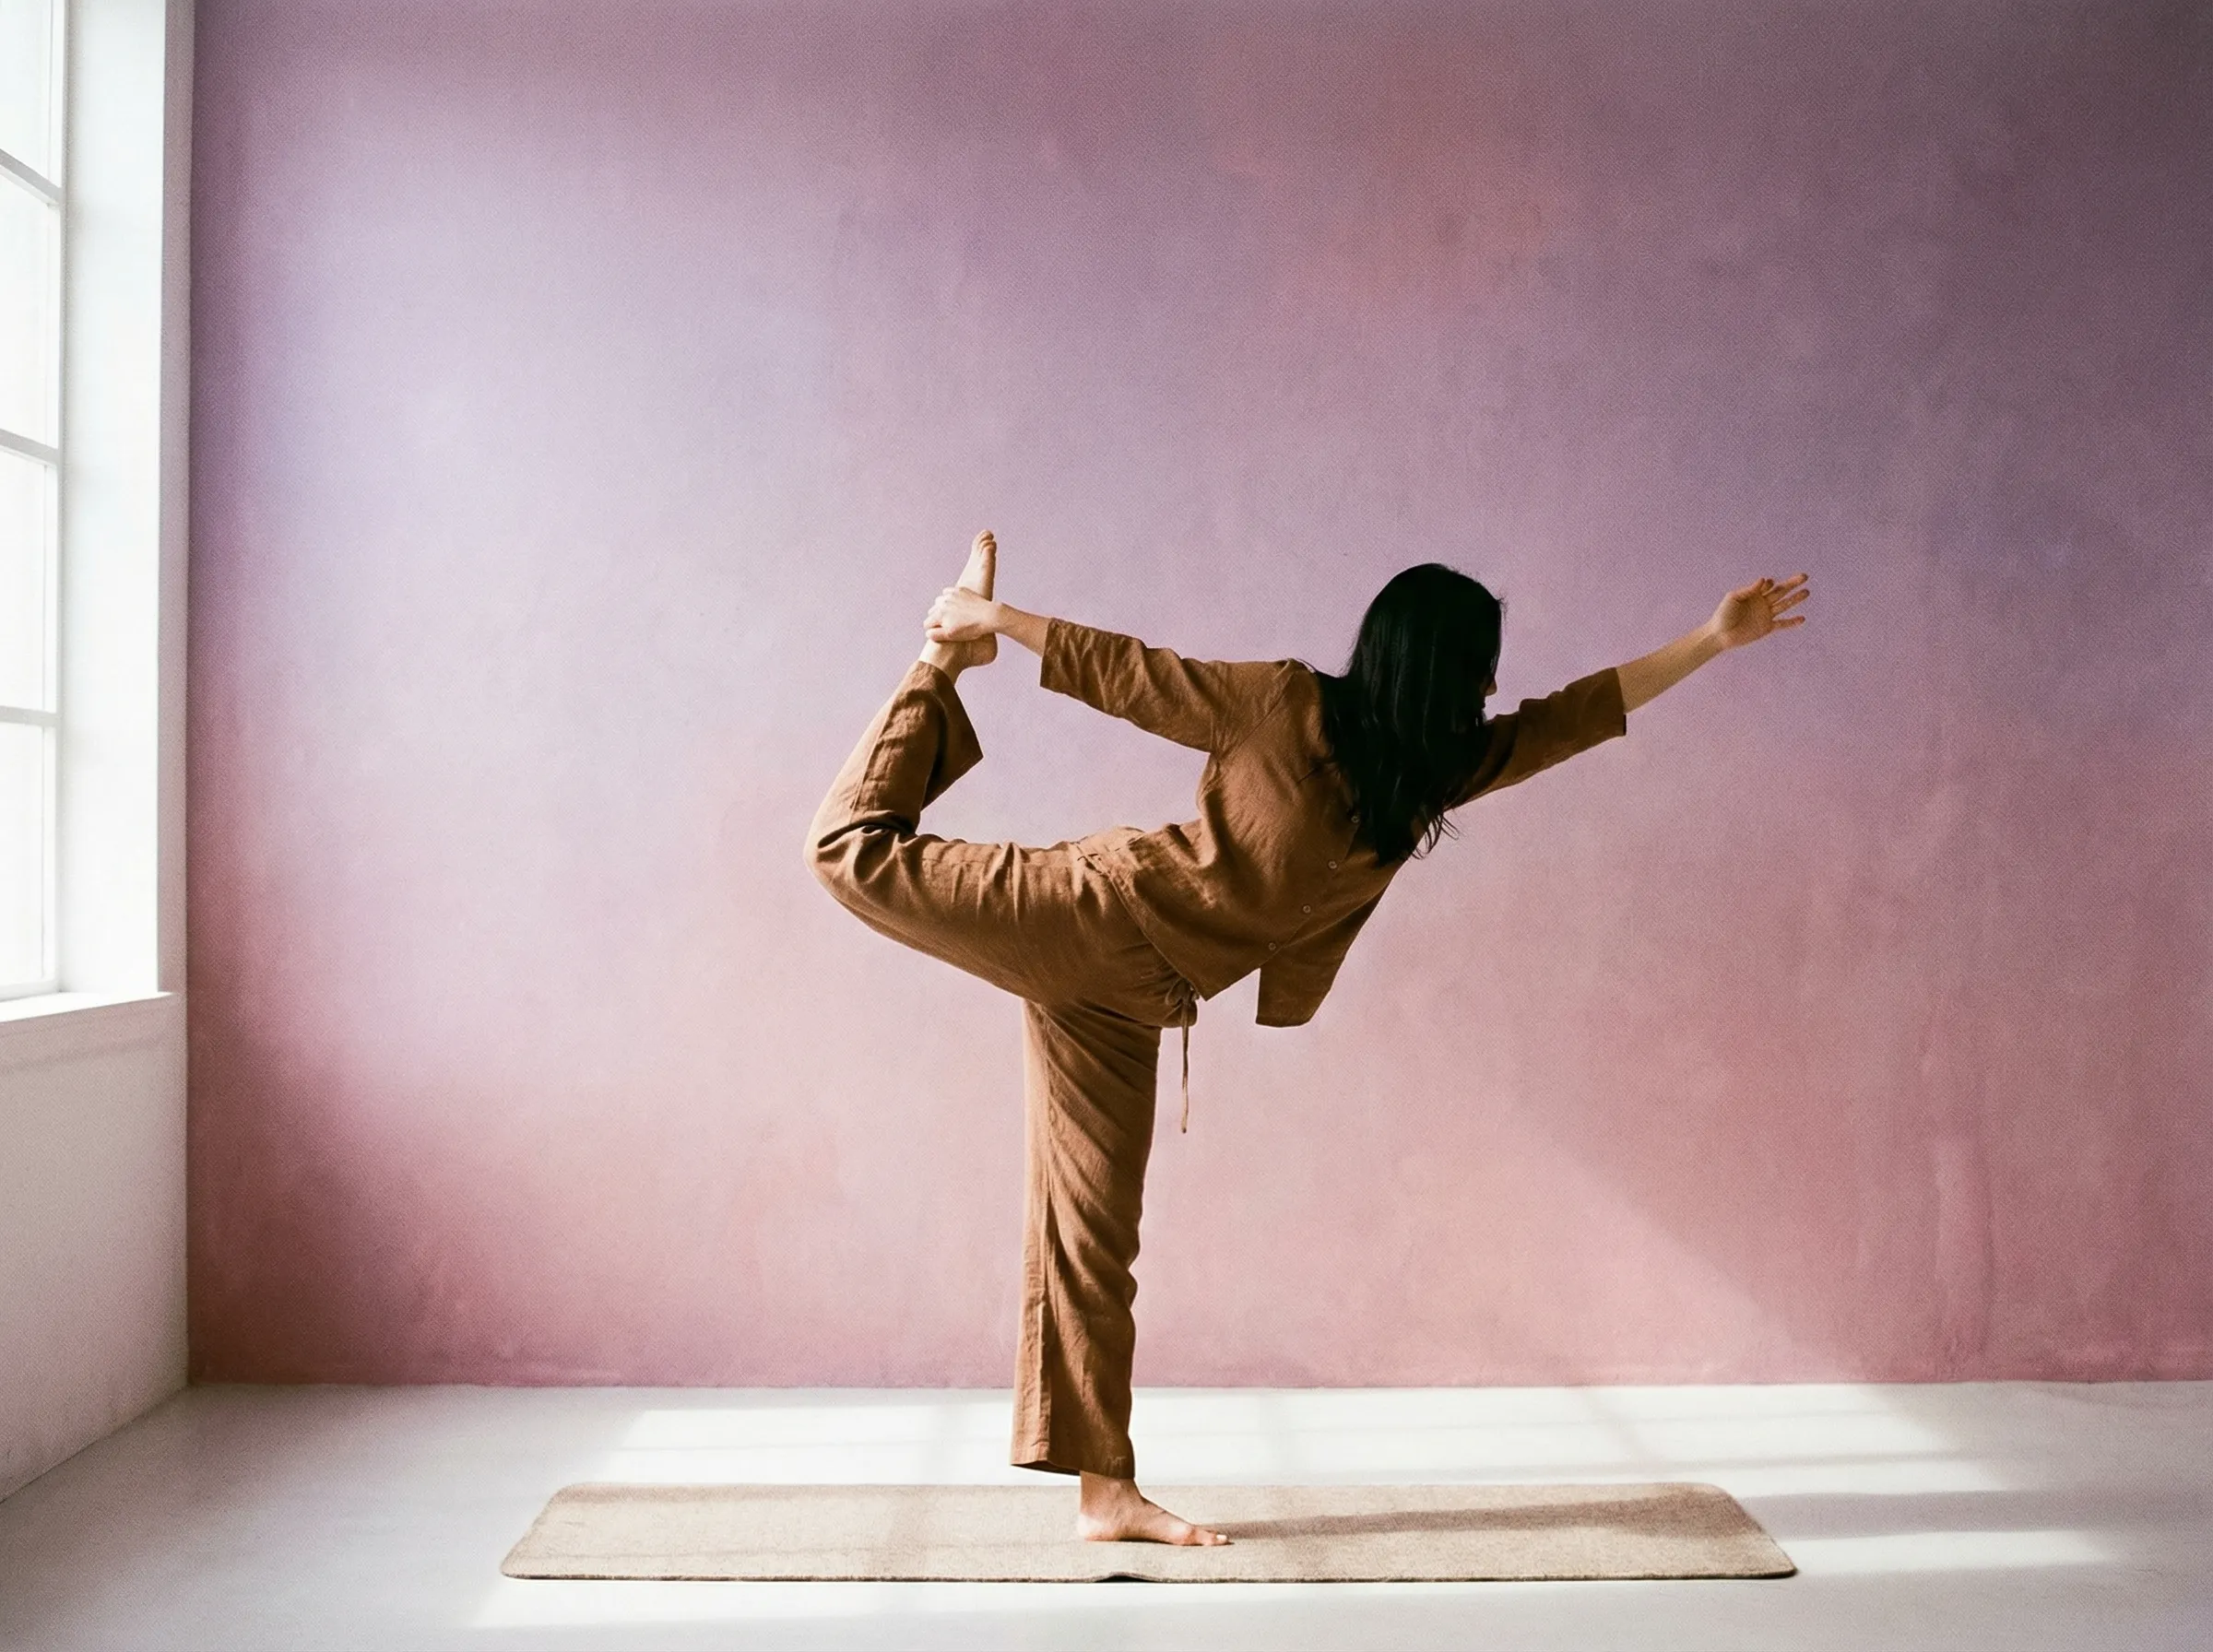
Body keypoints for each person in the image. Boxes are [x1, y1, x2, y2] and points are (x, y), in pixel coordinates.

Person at [806, 531, 1811, 1545]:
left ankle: (1105, 1492)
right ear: (1431, 665)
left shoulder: (1434, 772)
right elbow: (1139, 674)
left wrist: (1713, 639)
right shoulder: (1282, 703)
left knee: (1094, 1238)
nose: (1495, 684)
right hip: (1097, 911)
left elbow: (1577, 717)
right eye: (1479, 665)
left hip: (1137, 1000)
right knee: (849, 851)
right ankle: (936, 671)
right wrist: (990, 629)